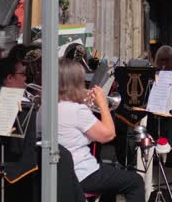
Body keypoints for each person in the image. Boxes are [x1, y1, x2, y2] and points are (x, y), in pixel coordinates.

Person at [57, 58, 144, 201]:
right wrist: (103, 104)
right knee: (135, 182)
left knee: (111, 179)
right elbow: (109, 135)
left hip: (61, 173)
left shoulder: (44, 108)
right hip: (82, 173)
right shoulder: (76, 110)